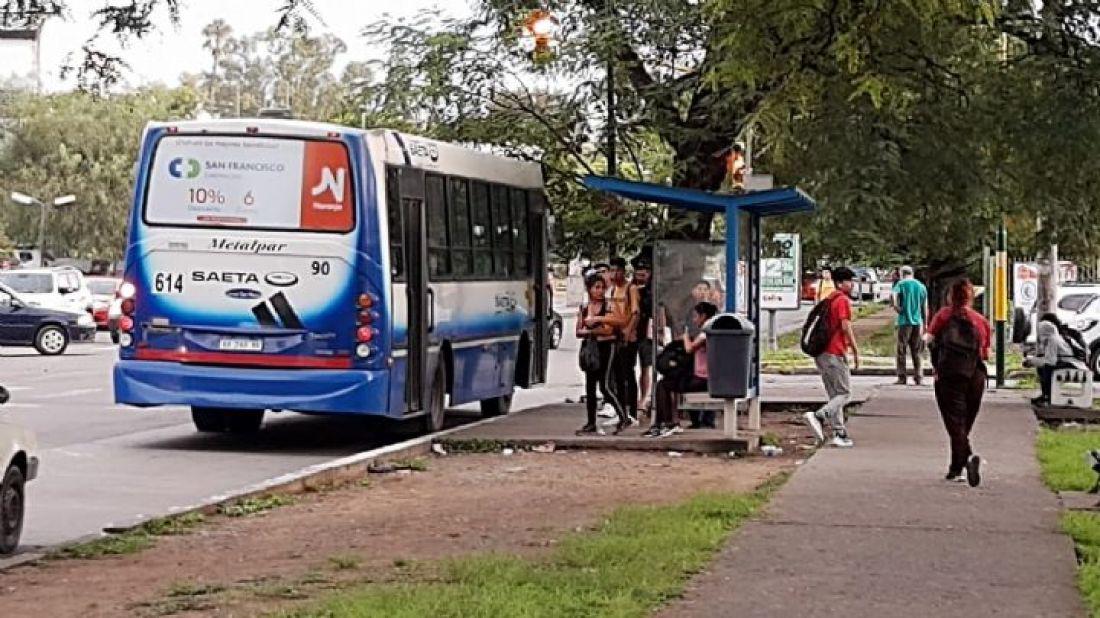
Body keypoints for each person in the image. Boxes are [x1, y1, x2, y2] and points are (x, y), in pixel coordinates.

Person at [925, 278, 991, 486]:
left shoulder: (943, 316)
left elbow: (927, 340)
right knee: (964, 423)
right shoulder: (981, 321)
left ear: (950, 296)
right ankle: (956, 468)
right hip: (975, 376)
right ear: (971, 297)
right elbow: (986, 354)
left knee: (954, 423)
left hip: (949, 375)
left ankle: (966, 459)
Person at [803, 266, 859, 448]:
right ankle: (819, 416)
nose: (852, 284)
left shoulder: (829, 299)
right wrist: (855, 350)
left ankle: (839, 433)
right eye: (849, 281)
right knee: (845, 393)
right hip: (834, 352)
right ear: (840, 283)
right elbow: (845, 326)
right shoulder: (842, 300)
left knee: (835, 395)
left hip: (821, 353)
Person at [646, 301, 718, 437]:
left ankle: (667, 422)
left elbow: (689, 349)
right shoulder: (713, 329)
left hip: (702, 378)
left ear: (703, 316)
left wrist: (685, 336)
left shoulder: (705, 333)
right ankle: (664, 422)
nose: (694, 319)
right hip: (707, 377)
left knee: (663, 385)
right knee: (667, 383)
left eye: (696, 316)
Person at [576, 273, 627, 435]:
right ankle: (591, 422)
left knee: (604, 385)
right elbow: (578, 330)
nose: (599, 291)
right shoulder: (584, 308)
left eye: (602, 287)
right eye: (596, 287)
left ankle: (623, 416)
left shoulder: (609, 306)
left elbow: (610, 328)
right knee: (590, 387)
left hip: (606, 347)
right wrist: (591, 332)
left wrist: (594, 327)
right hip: (591, 349)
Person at [1025, 314, 1087, 407]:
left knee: (1047, 368)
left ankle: (1047, 397)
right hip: (1073, 363)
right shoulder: (1057, 336)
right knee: (1044, 367)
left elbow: (1050, 361)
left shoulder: (1052, 339)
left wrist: (1032, 361)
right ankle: (1047, 396)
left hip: (1072, 364)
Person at [892, 265, 929, 385]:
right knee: (917, 350)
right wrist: (925, 323)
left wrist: (897, 308)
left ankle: (902, 377)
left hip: (904, 321)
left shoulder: (900, 284)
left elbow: (894, 298)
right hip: (917, 322)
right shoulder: (921, 286)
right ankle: (918, 376)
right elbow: (924, 307)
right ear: (912, 273)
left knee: (901, 350)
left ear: (902, 274)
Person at [631, 255, 655, 414]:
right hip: (631, 332)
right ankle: (631, 398)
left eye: (645, 270)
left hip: (647, 332)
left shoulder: (653, 290)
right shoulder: (629, 288)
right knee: (629, 367)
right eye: (638, 270)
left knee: (646, 367)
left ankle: (644, 398)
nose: (641, 273)